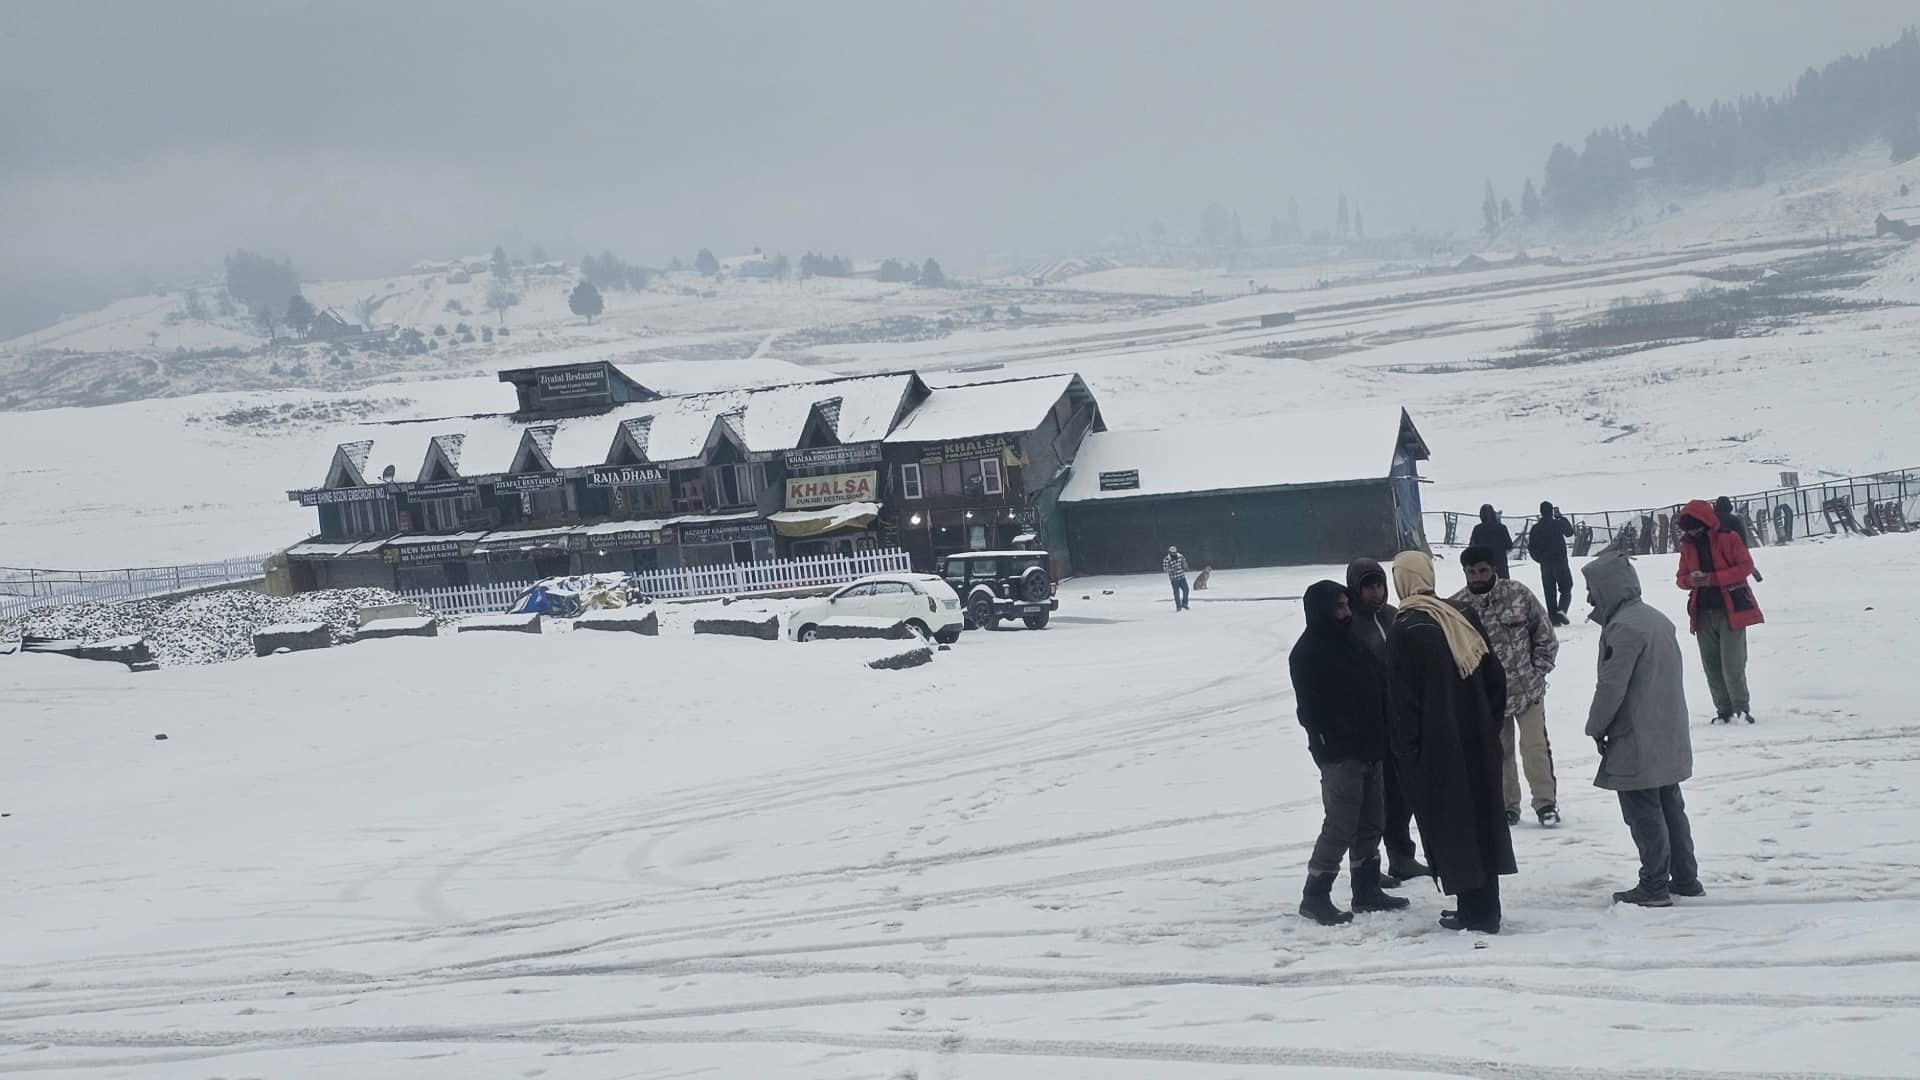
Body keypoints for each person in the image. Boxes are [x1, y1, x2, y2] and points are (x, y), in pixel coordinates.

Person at [1384, 551, 1516, 933]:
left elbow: (1402, 702)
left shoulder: (1406, 627)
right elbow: (1495, 678)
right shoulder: (1460, 614)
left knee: (1452, 826)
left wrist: (1407, 752)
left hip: (1436, 748)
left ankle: (1474, 911)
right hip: (1476, 739)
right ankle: (1485, 907)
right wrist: (1485, 726)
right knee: (1482, 820)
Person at [1582, 547, 1701, 907]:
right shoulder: (1655, 619)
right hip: (1667, 730)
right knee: (1670, 805)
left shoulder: (1623, 628)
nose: (1589, 597)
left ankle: (1653, 885)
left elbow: (1611, 687)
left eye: (1592, 590)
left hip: (1637, 735)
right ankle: (1685, 877)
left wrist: (1595, 727)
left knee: (1644, 811)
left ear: (1608, 588)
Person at [1289, 581, 1411, 925]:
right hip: (1340, 755)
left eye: (1346, 606)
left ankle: (1366, 888)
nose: (1344, 613)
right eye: (1338, 608)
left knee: (1373, 820)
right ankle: (1315, 894)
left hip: (1372, 748)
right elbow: (1310, 712)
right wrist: (1332, 743)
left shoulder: (1351, 642)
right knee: (1341, 824)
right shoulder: (1308, 652)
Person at [1452, 547, 1562, 828]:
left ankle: (1545, 803)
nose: (1477, 576)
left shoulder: (1518, 594)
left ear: (1494, 570)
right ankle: (1507, 806)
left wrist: (1539, 671)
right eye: (1471, 572)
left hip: (1528, 692)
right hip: (1490, 698)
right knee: (1499, 752)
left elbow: (1545, 633)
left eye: (1483, 570)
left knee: (1535, 748)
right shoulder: (1458, 607)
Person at [1347, 557, 1427, 883]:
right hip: (1369, 725)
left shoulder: (1395, 617)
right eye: (1368, 586)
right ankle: (1367, 866)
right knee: (1371, 803)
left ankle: (1401, 856)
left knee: (1401, 795)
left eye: (1379, 584)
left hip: (1401, 720)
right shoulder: (1349, 624)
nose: (1375, 591)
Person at [1675, 499, 1764, 724]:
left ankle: (1741, 709)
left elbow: (1744, 567)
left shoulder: (1729, 538)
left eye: (1695, 526)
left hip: (1730, 609)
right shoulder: (1687, 545)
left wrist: (1713, 579)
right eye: (1688, 528)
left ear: (1705, 522)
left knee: (1732, 663)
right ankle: (1723, 711)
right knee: (1712, 666)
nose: (1692, 532)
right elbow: (1680, 579)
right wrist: (1690, 580)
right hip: (1702, 613)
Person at [1527, 501, 1576, 625]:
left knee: (1549, 591)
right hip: (1560, 562)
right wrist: (1560, 517)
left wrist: (1539, 558)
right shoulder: (1557, 523)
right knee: (1566, 587)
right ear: (1551, 511)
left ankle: (1554, 619)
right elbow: (1570, 532)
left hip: (1545, 563)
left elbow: (1531, 546)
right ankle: (1562, 609)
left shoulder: (1536, 528)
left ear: (1541, 512)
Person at [1713, 496, 1764, 580]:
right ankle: (1752, 571)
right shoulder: (1734, 520)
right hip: (1733, 550)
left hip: (1716, 551)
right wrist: (1745, 549)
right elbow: (1742, 537)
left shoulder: (1711, 520)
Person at [1469, 504, 1514, 577]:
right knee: (1502, 586)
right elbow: (1509, 545)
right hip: (1501, 566)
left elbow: (1472, 547)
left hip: (1482, 568)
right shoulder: (1501, 528)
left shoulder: (1477, 529)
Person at [1164, 546, 1190, 611]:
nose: (1174, 554)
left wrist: (1185, 566)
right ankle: (1178, 606)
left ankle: (1185, 604)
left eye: (1175, 552)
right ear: (1170, 552)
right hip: (1174, 579)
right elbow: (1165, 569)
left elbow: (1184, 563)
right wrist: (1172, 569)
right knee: (1176, 593)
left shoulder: (1180, 556)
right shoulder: (1166, 559)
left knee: (1186, 590)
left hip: (1182, 577)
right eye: (1172, 553)